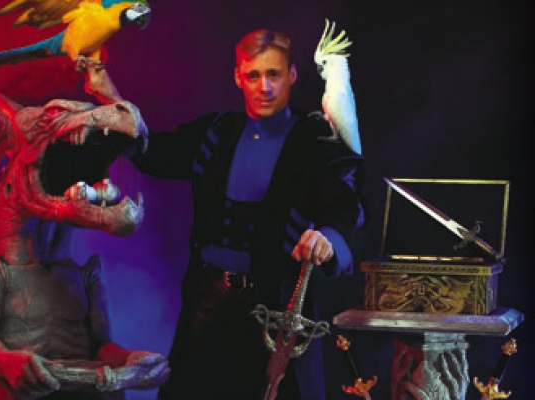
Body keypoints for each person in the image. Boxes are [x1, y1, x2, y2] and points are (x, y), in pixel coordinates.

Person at [82, 27, 366, 400]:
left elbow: (351, 207)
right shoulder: (216, 132)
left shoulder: (315, 140)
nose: (265, 87)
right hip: (207, 304)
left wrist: (328, 237)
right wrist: (111, 97)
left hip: (278, 309)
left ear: (292, 75)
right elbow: (154, 152)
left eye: (274, 74)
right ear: (238, 77)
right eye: (254, 75)